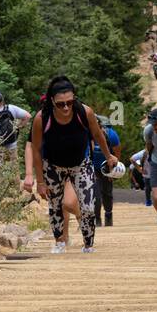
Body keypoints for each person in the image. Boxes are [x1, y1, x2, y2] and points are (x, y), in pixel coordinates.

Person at [28, 76, 117, 254]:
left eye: (70, 102)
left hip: (81, 164)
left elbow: (98, 135)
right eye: (61, 104)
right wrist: (40, 181)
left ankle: (88, 244)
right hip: (53, 166)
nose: (66, 107)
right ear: (52, 101)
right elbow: (36, 149)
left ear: (74, 99)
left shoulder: (85, 112)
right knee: (55, 205)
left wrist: (108, 156)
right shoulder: (42, 118)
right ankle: (59, 241)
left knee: (88, 206)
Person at [92, 116, 122, 227]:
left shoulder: (111, 135)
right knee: (96, 193)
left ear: (100, 126)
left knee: (107, 193)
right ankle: (97, 219)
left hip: (107, 166)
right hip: (93, 166)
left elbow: (117, 152)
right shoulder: (86, 135)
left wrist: (113, 170)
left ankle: (108, 215)